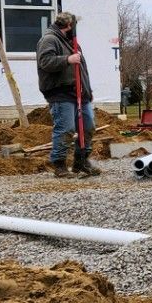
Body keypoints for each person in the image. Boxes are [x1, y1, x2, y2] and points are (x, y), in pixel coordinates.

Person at [35, 11, 100, 178]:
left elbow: (82, 70)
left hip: (80, 92)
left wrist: (88, 90)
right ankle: (60, 165)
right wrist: (67, 60)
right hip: (61, 92)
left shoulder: (72, 43)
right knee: (66, 128)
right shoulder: (50, 39)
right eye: (75, 26)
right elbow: (45, 62)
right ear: (69, 26)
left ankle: (81, 161)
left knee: (88, 126)